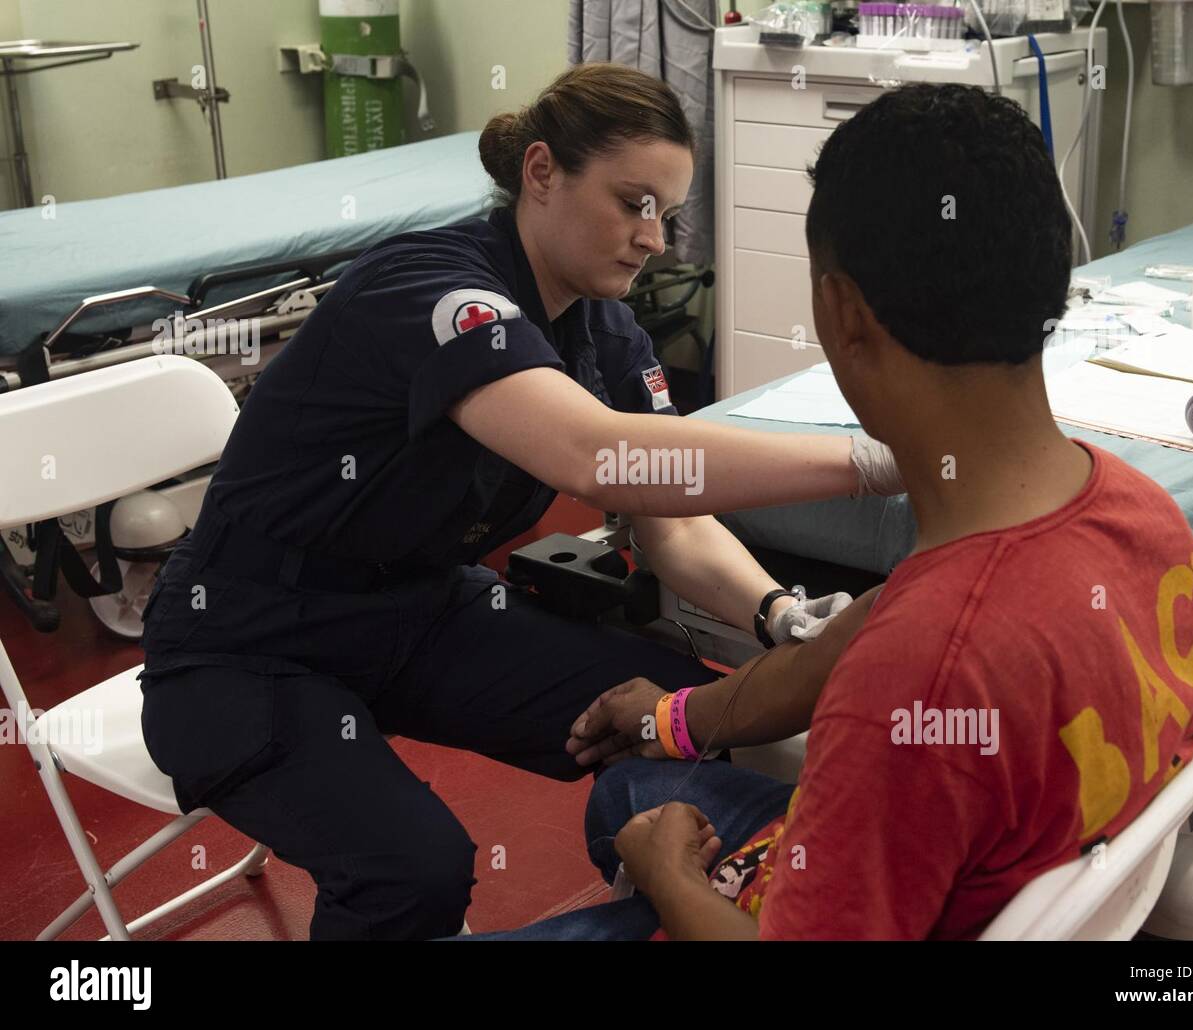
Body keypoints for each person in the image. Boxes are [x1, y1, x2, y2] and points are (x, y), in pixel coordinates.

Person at [136, 62, 902, 941]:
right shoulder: (433, 289)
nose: (655, 238)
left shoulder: (601, 328)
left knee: (698, 714)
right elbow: (605, 458)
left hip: (411, 611)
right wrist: (869, 459)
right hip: (247, 637)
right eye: (634, 202)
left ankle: (677, 893)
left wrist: (778, 618)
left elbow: (676, 524)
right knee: (414, 873)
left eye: (668, 213)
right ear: (541, 173)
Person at [464, 82, 1193, 941]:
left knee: (637, 834)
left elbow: (894, 656)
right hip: (997, 871)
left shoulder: (917, 686)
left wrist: (669, 877)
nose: (651, 237)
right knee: (628, 788)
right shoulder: (1144, 512)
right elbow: (868, 632)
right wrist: (674, 717)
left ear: (840, 311)